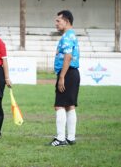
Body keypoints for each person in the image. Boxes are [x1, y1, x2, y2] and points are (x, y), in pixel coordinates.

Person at [50, 10, 80, 146]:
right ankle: (71, 138)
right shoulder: (71, 35)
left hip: (67, 73)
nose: (56, 23)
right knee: (70, 106)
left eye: (58, 21)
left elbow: (68, 56)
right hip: (72, 73)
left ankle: (61, 138)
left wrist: (62, 76)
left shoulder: (68, 36)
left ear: (66, 21)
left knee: (59, 106)